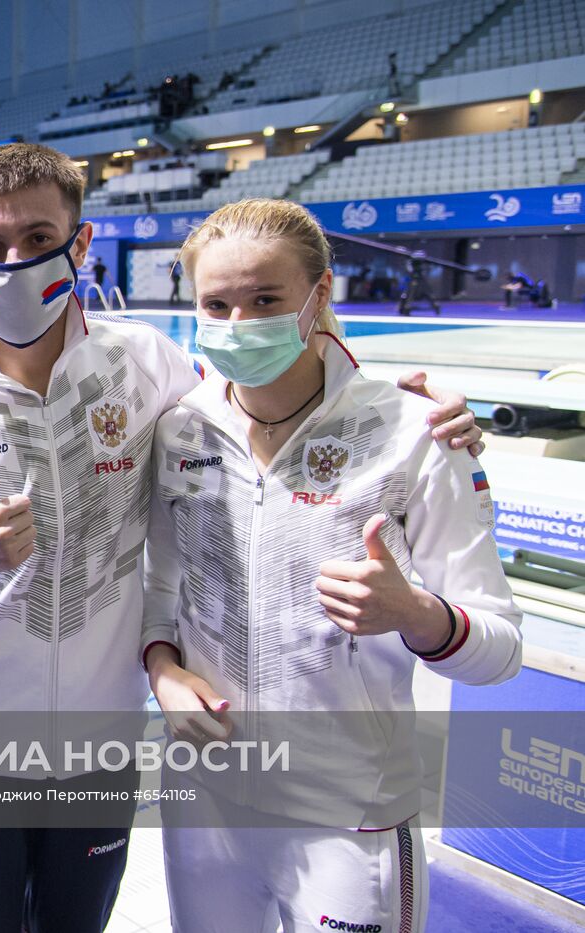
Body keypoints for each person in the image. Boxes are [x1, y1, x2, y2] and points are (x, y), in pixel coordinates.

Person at [0, 145, 483, 933]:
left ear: (80, 243)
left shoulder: (146, 363)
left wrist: (408, 406)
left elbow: (264, 397)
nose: (13, 262)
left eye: (38, 237)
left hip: (104, 741)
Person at [142, 198, 522, 933]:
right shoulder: (181, 429)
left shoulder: (415, 434)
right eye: (216, 303)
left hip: (349, 812)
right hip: (204, 798)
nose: (238, 321)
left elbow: (499, 651)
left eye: (264, 299)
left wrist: (416, 614)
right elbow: (161, 587)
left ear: (321, 294)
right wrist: (163, 670)